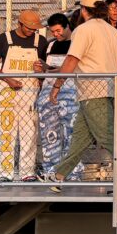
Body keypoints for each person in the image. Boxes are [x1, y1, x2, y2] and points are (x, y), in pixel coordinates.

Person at [47, 0, 117, 194]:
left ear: (83, 10)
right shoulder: (113, 31)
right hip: (109, 88)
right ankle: (59, 176)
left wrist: (56, 86)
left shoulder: (82, 30)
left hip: (91, 90)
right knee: (80, 139)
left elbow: (71, 60)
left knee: (108, 137)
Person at [0, 9, 48, 182]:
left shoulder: (40, 41)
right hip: (7, 92)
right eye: (29, 27)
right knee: (6, 133)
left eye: (34, 28)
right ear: (19, 24)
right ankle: (5, 173)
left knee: (30, 135)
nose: (32, 31)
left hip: (30, 93)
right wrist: (9, 80)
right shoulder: (3, 39)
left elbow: (46, 67)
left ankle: (27, 172)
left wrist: (41, 69)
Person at [36, 14, 81, 181]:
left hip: (72, 93)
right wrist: (40, 69)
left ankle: (73, 173)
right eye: (52, 31)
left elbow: (72, 67)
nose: (56, 34)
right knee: (50, 134)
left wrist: (50, 69)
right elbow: (43, 69)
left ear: (67, 26)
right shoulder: (49, 46)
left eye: (58, 30)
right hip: (48, 94)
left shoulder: (77, 44)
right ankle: (51, 171)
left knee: (72, 134)